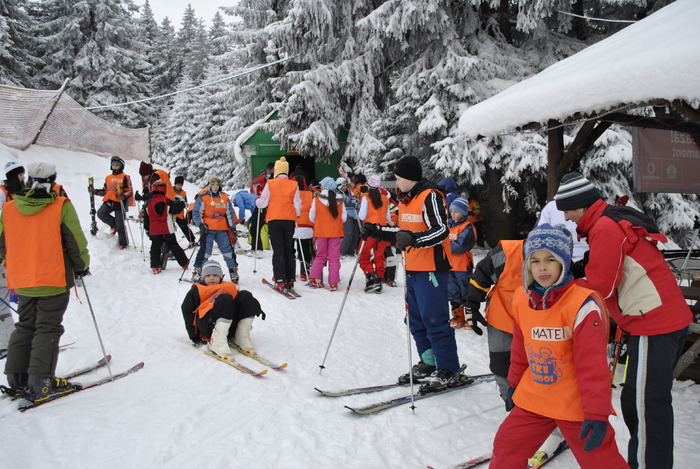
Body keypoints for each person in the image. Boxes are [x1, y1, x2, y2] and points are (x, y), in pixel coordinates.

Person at [555, 171, 692, 469]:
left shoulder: (605, 227)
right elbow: (607, 262)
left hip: (654, 324)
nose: (566, 217)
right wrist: (576, 269)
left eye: (566, 209)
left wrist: (563, 288)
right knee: (635, 400)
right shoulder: (605, 222)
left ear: (579, 206)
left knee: (646, 406)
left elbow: (601, 285)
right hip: (655, 321)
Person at [490, 224, 628, 469]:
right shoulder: (522, 297)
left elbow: (592, 366)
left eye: (551, 259)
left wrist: (596, 413)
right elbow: (521, 349)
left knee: (601, 461)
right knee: (506, 447)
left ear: (564, 262)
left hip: (575, 403)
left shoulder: (582, 305)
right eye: (535, 260)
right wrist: (513, 385)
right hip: (536, 396)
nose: (542, 267)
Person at [362, 155, 466, 392]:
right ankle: (429, 363)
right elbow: (403, 233)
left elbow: (440, 231)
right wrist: (377, 231)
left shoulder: (430, 195)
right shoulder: (406, 199)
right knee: (415, 319)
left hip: (431, 269)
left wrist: (415, 240)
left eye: (399, 179)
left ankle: (449, 369)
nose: (397, 183)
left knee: (434, 320)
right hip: (412, 267)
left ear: (410, 177)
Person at [1, 162, 90, 401]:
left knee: (25, 324)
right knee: (47, 327)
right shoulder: (60, 206)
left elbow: (2, 244)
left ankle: (17, 377)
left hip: (23, 279)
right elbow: (75, 241)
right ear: (53, 179)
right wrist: (82, 266)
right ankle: (41, 381)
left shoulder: (10, 208)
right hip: (52, 278)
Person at [181, 260, 265, 359]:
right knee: (225, 298)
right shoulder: (197, 290)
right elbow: (187, 310)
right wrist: (194, 337)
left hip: (230, 325)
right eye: (208, 276)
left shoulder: (229, 286)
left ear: (221, 276)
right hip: (208, 326)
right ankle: (216, 341)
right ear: (203, 277)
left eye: (215, 275)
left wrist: (254, 307)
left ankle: (240, 335)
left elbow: (242, 304)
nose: (211, 278)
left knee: (245, 295)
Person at [255, 157, 301, 295]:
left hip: (274, 219)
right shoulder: (294, 185)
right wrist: (296, 215)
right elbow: (297, 204)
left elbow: (262, 202)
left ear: (276, 170)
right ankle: (290, 279)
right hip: (289, 220)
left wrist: (257, 201)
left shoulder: (270, 183)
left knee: (278, 250)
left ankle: (280, 278)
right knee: (289, 249)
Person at [191, 177, 239, 283]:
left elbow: (230, 214)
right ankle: (198, 270)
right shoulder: (203, 198)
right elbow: (196, 213)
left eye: (217, 185)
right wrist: (200, 224)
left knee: (228, 251)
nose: (215, 187)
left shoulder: (225, 198)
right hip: (208, 229)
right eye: (213, 185)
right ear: (209, 186)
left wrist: (233, 227)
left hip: (222, 228)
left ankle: (233, 270)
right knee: (205, 251)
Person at [0, 161, 25, 360]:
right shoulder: (2, 194)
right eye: (20, 176)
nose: (23, 179)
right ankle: (7, 343)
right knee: (2, 297)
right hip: (4, 253)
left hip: (11, 251)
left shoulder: (14, 194)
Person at [308, 177, 346, 291]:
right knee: (334, 258)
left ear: (323, 186)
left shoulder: (317, 199)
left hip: (321, 231)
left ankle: (315, 279)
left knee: (320, 256)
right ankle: (333, 283)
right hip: (335, 232)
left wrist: (320, 222)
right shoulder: (340, 200)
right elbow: (344, 217)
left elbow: (311, 217)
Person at [145, 180, 189, 274]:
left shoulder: (148, 203)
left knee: (155, 248)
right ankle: (184, 264)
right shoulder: (167, 201)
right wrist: (181, 203)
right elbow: (176, 210)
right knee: (174, 246)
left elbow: (146, 217)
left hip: (154, 230)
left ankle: (155, 267)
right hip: (167, 229)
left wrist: (147, 229)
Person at [445, 197, 476, 328]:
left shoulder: (467, 227)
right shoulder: (448, 226)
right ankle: (458, 316)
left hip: (462, 266)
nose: (453, 213)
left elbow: (460, 245)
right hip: (449, 265)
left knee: (466, 291)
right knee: (453, 292)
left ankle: (471, 317)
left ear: (463, 213)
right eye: (451, 211)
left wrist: (445, 245)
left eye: (456, 211)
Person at [358, 175, 391, 293]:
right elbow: (387, 217)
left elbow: (362, 216)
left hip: (370, 230)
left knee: (363, 255)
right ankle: (380, 279)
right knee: (379, 256)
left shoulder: (366, 197)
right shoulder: (385, 198)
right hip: (382, 231)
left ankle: (371, 277)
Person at [92, 155, 133, 249]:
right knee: (101, 213)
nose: (115, 167)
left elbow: (129, 191)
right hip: (109, 200)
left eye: (117, 165)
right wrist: (96, 192)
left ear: (121, 166)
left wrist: (124, 195)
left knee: (120, 224)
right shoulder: (108, 177)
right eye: (113, 165)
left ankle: (123, 243)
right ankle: (113, 224)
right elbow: (106, 190)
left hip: (120, 202)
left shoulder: (125, 177)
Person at [294, 185, 314, 282]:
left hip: (294, 223)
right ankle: (304, 271)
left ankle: (290, 270)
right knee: (305, 248)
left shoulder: (293, 193)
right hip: (307, 224)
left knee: (290, 248)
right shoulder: (310, 195)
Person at [338, 177, 360, 257]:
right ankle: (342, 251)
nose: (345, 187)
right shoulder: (338, 194)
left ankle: (351, 251)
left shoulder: (348, 192)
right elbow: (341, 204)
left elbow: (352, 200)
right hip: (346, 215)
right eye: (343, 185)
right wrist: (352, 204)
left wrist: (356, 202)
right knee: (349, 233)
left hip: (353, 215)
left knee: (355, 234)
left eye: (346, 185)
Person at [173, 175, 196, 248]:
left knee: (184, 227)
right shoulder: (170, 191)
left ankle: (192, 240)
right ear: (175, 184)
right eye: (178, 184)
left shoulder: (183, 193)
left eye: (180, 185)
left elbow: (185, 203)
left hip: (179, 214)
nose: (179, 186)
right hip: (171, 213)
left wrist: (185, 205)